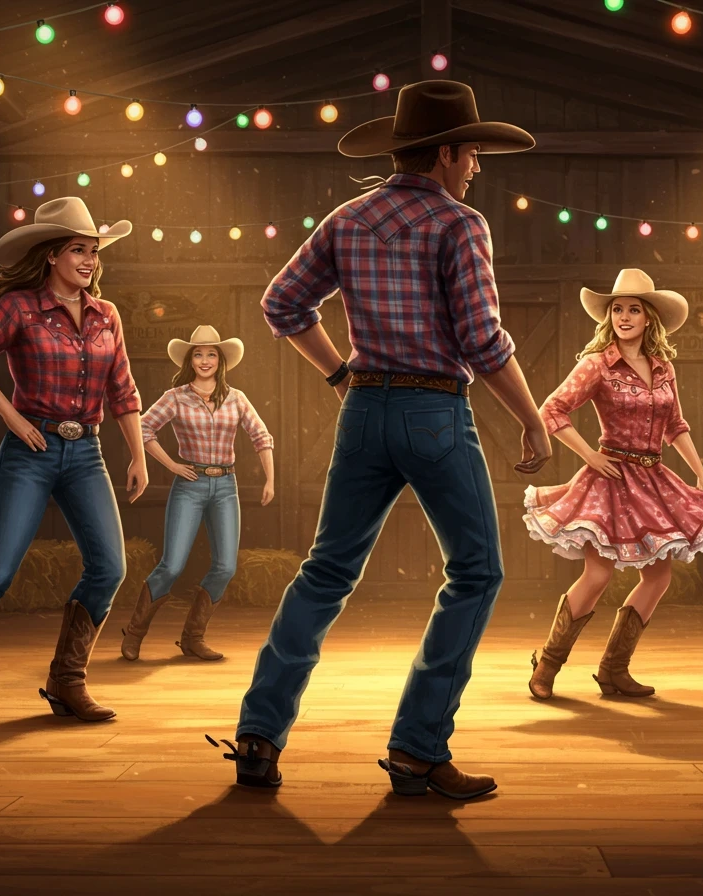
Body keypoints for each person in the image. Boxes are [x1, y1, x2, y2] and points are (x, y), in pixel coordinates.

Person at [214, 80, 550, 800]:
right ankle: (417, 750)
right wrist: (531, 418)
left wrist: (340, 372)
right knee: (477, 572)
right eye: (473, 155)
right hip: (434, 412)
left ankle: (257, 737)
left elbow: (282, 304)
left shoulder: (348, 217)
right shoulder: (460, 224)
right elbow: (482, 342)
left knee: (326, 572)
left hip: (362, 412)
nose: (477, 168)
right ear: (447, 153)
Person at [0, 197, 147, 723]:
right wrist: (11, 418)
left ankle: (67, 683)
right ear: (50, 255)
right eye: (77, 250)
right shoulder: (19, 307)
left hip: (86, 452)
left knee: (110, 566)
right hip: (30, 450)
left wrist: (137, 454)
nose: (89, 260)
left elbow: (123, 388)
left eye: (94, 251)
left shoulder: (106, 314)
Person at [523, 270, 703, 699]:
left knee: (659, 577)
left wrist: (701, 474)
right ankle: (547, 664)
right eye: (617, 309)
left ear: (649, 317)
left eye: (633, 309)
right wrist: (591, 456)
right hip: (611, 476)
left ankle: (613, 669)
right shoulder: (598, 363)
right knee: (598, 573)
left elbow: (675, 425)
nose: (623, 316)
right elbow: (553, 410)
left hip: (654, 477)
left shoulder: (663, 367)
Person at [120, 325, 275, 662]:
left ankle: (193, 638)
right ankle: (134, 633)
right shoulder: (175, 397)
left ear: (221, 361)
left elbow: (262, 436)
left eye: (211, 354)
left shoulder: (237, 399)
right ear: (190, 360)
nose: (205, 360)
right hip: (189, 485)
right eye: (199, 354)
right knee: (172, 564)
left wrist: (269, 479)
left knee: (225, 566)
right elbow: (143, 429)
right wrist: (172, 465)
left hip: (226, 486)